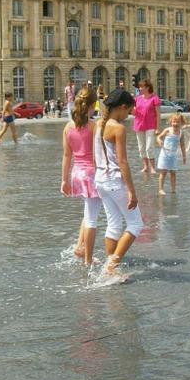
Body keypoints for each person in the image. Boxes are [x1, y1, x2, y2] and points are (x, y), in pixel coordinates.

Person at [94, 89, 143, 280]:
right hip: (114, 180)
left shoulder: (99, 124)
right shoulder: (118, 128)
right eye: (129, 111)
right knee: (136, 224)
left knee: (113, 223)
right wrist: (132, 190)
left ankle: (111, 264)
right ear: (122, 107)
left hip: (100, 179)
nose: (128, 115)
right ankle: (111, 266)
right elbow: (122, 161)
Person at [61, 86, 102, 267]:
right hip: (91, 174)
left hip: (76, 173)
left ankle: (80, 246)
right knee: (92, 217)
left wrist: (64, 180)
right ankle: (88, 259)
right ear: (93, 105)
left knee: (87, 211)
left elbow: (66, 156)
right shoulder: (94, 126)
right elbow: (98, 154)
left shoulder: (68, 127)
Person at [131, 82, 160, 174]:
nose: (140, 88)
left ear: (147, 87)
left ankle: (152, 167)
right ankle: (145, 166)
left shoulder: (154, 98)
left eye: (141, 87)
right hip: (139, 125)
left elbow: (158, 115)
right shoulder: (137, 99)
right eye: (139, 87)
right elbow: (134, 112)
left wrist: (157, 128)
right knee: (141, 147)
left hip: (150, 125)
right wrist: (131, 109)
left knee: (149, 147)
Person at [156, 114, 186, 196]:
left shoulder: (181, 133)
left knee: (173, 173)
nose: (175, 124)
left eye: (178, 122)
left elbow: (183, 145)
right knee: (163, 172)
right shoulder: (168, 130)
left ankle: (173, 189)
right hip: (164, 155)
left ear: (181, 123)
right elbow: (159, 137)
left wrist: (184, 156)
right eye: (174, 122)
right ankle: (160, 189)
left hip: (173, 156)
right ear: (171, 122)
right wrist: (159, 141)